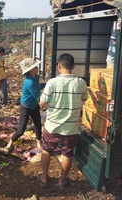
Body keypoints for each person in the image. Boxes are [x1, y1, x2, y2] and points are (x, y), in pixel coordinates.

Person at [38, 53, 87, 189]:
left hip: (52, 126)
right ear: (73, 67)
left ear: (59, 66)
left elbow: (42, 102)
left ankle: (44, 177)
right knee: (67, 153)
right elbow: (84, 98)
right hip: (71, 128)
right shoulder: (81, 83)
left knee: (46, 151)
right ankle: (61, 181)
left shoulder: (52, 83)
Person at [0, 58, 45, 155]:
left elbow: (37, 87)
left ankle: (39, 143)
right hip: (26, 107)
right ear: (31, 70)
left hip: (33, 106)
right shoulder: (30, 82)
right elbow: (37, 96)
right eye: (35, 67)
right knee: (21, 130)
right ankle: (9, 144)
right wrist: (45, 99)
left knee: (37, 125)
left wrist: (45, 84)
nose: (37, 68)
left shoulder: (34, 78)